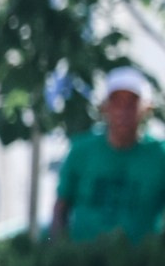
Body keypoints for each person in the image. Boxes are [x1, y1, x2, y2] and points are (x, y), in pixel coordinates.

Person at [51, 67, 165, 241]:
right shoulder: (81, 151)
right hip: (84, 262)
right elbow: (61, 207)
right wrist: (58, 251)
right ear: (105, 108)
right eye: (116, 103)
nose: (123, 112)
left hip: (141, 264)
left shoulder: (160, 155)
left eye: (131, 104)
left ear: (146, 109)